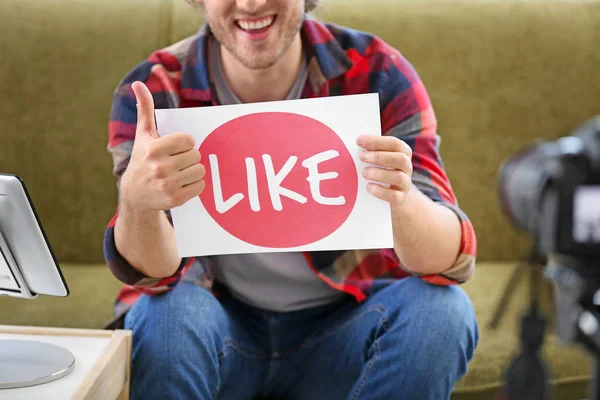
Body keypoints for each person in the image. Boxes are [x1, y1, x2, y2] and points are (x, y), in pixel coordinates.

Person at [103, 0, 479, 399]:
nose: (250, 3)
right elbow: (152, 271)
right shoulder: (155, 89)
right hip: (217, 327)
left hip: (345, 328)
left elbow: (449, 260)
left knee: (444, 313)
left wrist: (402, 199)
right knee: (161, 315)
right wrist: (137, 201)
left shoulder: (377, 70)